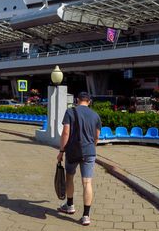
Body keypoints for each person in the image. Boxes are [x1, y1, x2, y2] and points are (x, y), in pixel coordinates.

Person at [56, 92, 102, 226]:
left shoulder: (70, 112)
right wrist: (91, 147)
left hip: (73, 151)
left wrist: (61, 151)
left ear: (77, 100)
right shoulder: (95, 115)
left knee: (69, 177)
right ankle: (86, 216)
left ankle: (70, 205)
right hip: (89, 152)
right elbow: (96, 137)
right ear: (89, 101)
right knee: (87, 183)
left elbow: (65, 133)